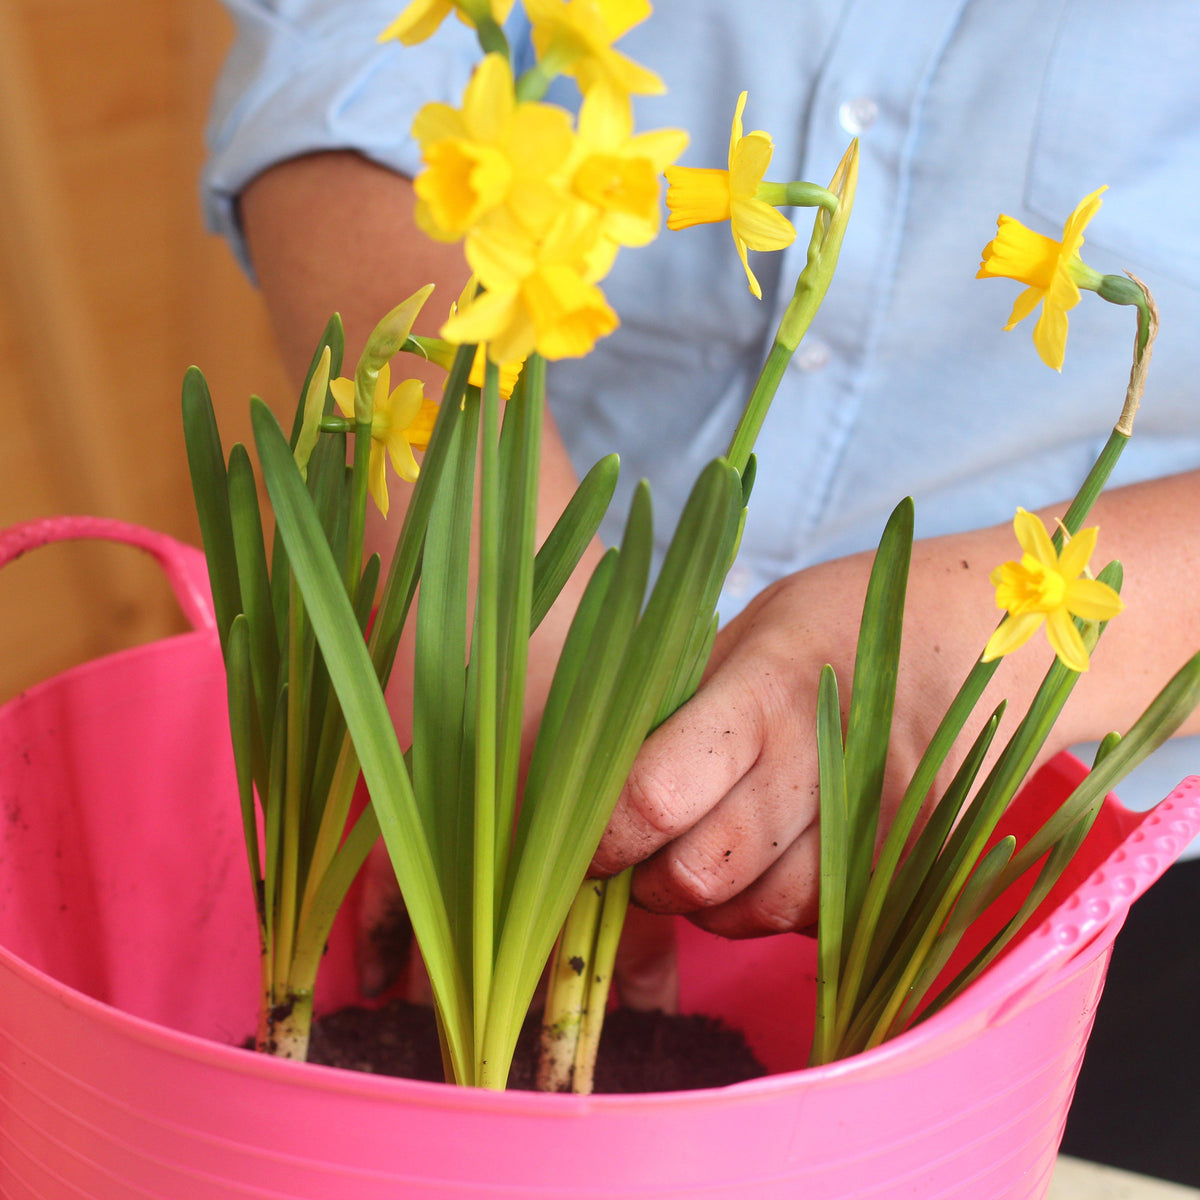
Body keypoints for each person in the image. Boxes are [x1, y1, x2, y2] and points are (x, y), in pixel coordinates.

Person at [203, 0, 1200, 1182]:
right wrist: (485, 597)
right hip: (474, 708)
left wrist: (1005, 647)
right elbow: (345, 48)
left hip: (1088, 868)